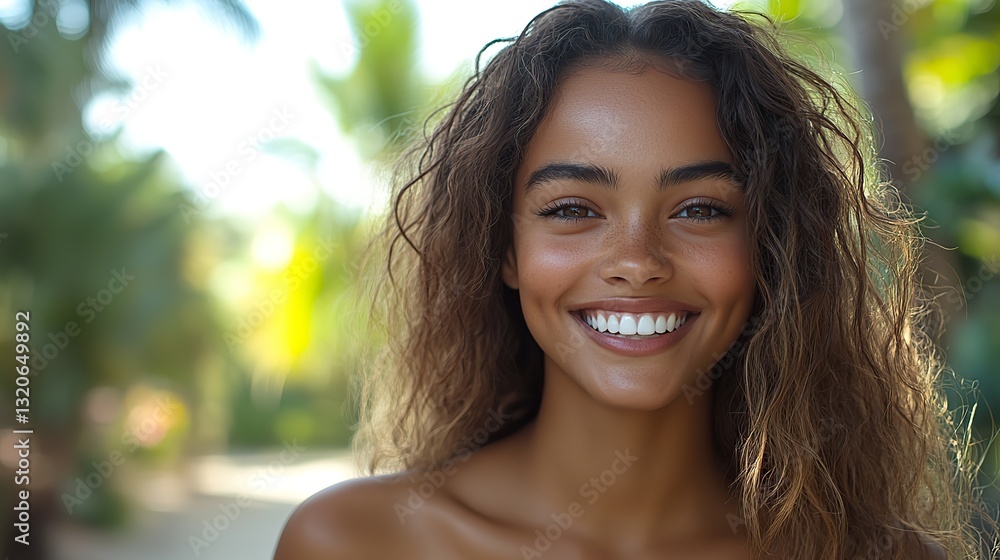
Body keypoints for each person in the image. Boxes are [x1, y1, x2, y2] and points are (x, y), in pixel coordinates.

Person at [274, 0, 994, 558]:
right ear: (505, 248)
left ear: (770, 247)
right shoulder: (353, 543)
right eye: (573, 210)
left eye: (701, 209)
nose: (638, 259)